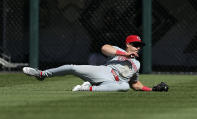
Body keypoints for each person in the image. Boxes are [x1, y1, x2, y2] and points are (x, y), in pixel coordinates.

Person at [23, 35, 169, 92]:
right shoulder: (118, 50)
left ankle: (87, 88)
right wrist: (125, 54)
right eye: (135, 44)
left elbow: (135, 83)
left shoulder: (137, 64)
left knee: (125, 86)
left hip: (114, 83)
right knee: (72, 67)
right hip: (104, 72)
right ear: (127, 44)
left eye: (140, 46)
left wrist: (152, 89)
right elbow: (104, 48)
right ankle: (41, 74)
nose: (138, 47)